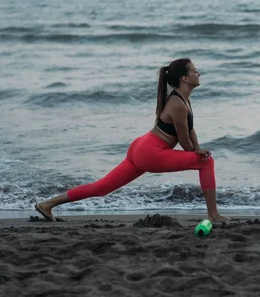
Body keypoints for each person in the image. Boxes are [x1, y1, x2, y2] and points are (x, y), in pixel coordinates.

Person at [35, 58, 230, 222]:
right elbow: (184, 141)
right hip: (151, 152)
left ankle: (47, 204)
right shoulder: (177, 103)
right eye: (195, 71)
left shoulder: (183, 99)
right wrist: (197, 154)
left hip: (142, 146)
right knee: (207, 163)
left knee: (102, 188)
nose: (199, 74)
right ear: (185, 78)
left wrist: (198, 148)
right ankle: (213, 215)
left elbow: (190, 129)